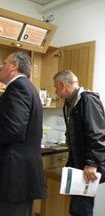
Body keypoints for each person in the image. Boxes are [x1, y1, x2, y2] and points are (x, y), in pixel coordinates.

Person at [0, 51, 46, 216]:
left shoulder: (18, 88)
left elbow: (13, 130)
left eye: (4, 63)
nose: (0, 67)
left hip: (12, 181)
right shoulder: (26, 88)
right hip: (12, 180)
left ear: (14, 66)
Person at [53, 70, 105, 216]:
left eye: (55, 86)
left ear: (62, 84)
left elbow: (98, 134)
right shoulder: (70, 102)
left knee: (82, 208)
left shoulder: (88, 100)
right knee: (76, 207)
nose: (55, 91)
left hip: (87, 164)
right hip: (77, 163)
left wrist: (92, 163)